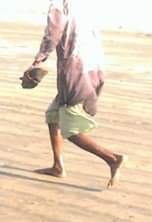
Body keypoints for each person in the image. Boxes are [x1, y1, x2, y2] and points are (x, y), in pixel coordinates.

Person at [26, 0, 124, 189]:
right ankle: (58, 166)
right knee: (53, 115)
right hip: (93, 65)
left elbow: (53, 32)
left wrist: (39, 59)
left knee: (70, 128)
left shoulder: (60, 4)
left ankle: (112, 158)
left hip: (76, 68)